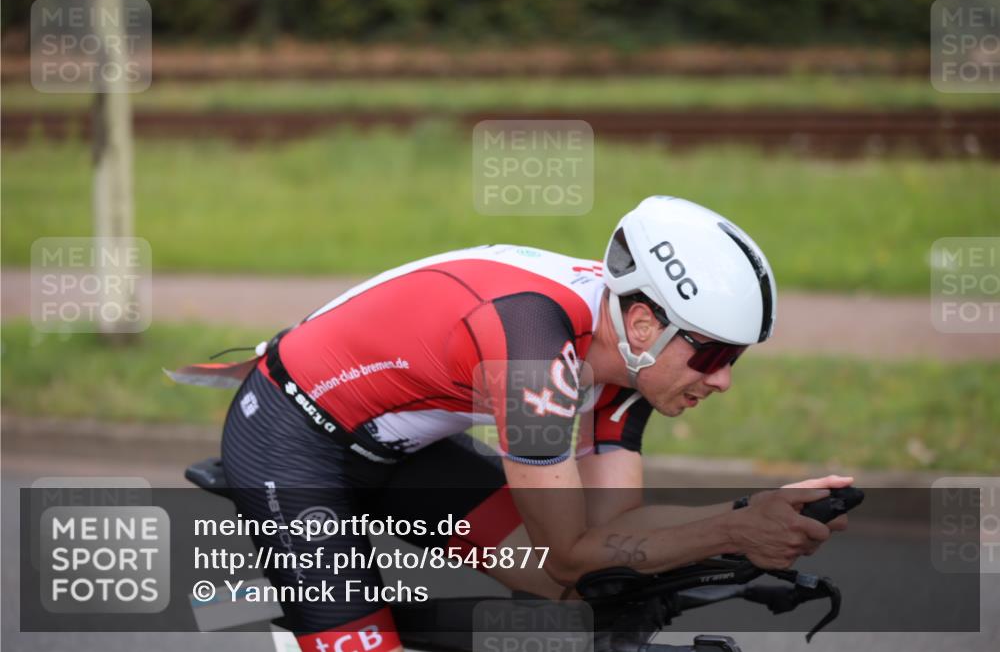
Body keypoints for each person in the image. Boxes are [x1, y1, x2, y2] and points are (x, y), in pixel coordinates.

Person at [177, 196, 852, 652]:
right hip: (290, 441)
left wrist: (755, 514)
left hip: (402, 444)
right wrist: (734, 529)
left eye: (734, 358)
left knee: (579, 595)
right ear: (644, 322)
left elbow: (606, 540)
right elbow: (566, 546)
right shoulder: (532, 349)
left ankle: (334, 600)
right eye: (709, 353)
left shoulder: (630, 363)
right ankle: (307, 613)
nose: (724, 378)